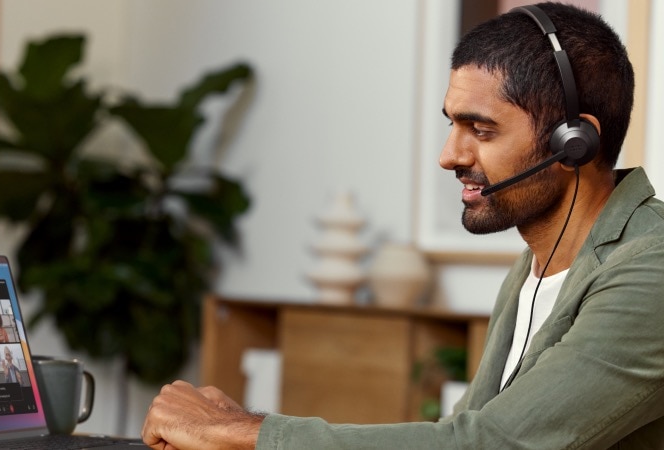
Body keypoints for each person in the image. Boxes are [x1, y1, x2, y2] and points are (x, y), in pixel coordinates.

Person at [141, 3, 664, 449]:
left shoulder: (650, 270)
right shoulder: (534, 268)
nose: (448, 156)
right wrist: (231, 430)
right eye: (452, 124)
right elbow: (461, 431)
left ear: (574, 143)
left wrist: (242, 431)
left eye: (481, 129)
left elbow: (488, 445)